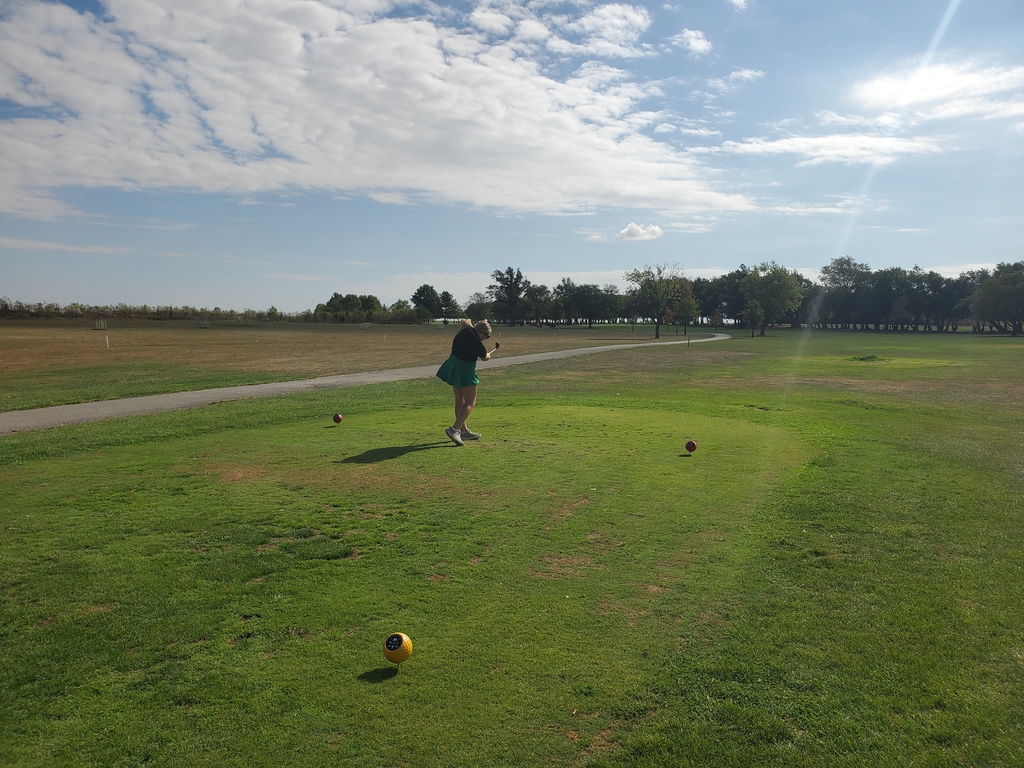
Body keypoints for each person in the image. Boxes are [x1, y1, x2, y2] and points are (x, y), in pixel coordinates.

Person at [435, 318, 492, 446]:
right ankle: (455, 429)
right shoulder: (478, 344)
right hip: (465, 371)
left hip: (454, 366)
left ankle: (464, 431)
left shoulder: (463, 332)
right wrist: (488, 355)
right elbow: (484, 358)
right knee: (470, 402)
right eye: (487, 336)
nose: (486, 338)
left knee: (459, 400)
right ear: (481, 333)